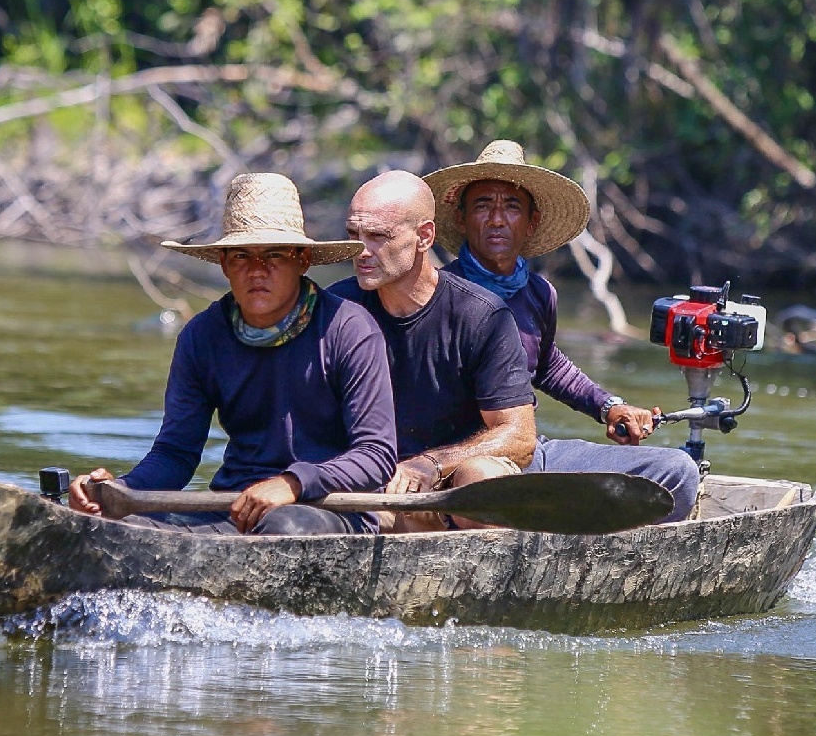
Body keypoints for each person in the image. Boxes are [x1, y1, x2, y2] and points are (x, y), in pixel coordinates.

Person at [66, 173, 398, 534]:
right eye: (242, 256)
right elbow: (176, 453)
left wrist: (293, 483)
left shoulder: (349, 328)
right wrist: (120, 493)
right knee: (121, 526)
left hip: (329, 508)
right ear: (224, 264)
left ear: (302, 260)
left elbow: (375, 456)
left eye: (274, 254)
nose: (257, 270)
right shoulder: (202, 336)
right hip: (233, 506)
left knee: (285, 528)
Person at [424, 140, 701, 523]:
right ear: (462, 219)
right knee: (483, 488)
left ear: (531, 222)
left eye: (512, 207)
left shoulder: (538, 293)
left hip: (531, 455)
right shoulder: (439, 295)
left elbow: (548, 365)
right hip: (465, 462)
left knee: (677, 472)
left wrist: (609, 406)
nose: (497, 219)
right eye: (483, 205)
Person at [326, 172, 538, 520]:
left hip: (451, 482)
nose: (361, 252)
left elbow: (519, 437)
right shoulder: (335, 311)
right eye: (354, 236)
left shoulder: (482, 315)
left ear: (424, 236)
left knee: (483, 476)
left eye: (378, 236)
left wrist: (433, 463)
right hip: (375, 484)